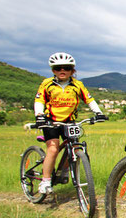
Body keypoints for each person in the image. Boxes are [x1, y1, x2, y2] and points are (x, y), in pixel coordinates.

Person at [34, 52, 107, 195]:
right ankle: (46, 180)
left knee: (73, 147)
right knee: (53, 149)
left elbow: (89, 99)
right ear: (53, 70)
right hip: (51, 121)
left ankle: (65, 171)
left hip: (69, 121)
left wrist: (98, 113)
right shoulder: (47, 84)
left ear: (72, 71)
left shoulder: (77, 85)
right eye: (58, 68)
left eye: (66, 68)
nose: (62, 71)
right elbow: (40, 100)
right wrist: (39, 115)